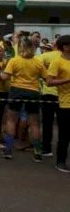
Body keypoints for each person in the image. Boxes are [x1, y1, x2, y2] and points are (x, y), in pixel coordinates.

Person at [1, 36, 47, 161]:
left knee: (11, 121)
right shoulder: (38, 62)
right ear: (32, 47)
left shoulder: (14, 60)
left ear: (20, 47)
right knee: (34, 123)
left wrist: (1, 71)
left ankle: (8, 151)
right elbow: (47, 78)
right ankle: (38, 152)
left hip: (16, 91)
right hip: (33, 92)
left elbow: (4, 77)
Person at [45, 35, 70, 173]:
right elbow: (49, 81)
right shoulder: (57, 62)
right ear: (65, 47)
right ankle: (60, 162)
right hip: (65, 103)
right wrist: (67, 80)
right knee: (64, 135)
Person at [37, 39, 61, 157]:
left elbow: (34, 66)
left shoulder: (45, 56)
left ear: (54, 45)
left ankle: (47, 149)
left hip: (48, 92)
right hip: (64, 94)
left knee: (47, 122)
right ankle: (62, 150)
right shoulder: (66, 57)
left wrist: (43, 74)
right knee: (64, 124)